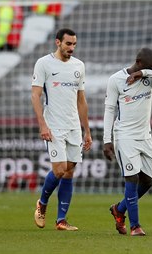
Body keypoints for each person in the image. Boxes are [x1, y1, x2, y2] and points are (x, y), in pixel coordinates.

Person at [103, 47, 152, 236]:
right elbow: (110, 109)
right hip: (124, 136)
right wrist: (106, 139)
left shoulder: (149, 74)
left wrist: (144, 73)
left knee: (147, 182)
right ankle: (135, 226)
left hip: (145, 136)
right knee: (132, 178)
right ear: (138, 61)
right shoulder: (115, 80)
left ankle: (119, 209)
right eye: (149, 68)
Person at [31, 28, 92, 231]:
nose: (72, 48)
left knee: (69, 171)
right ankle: (42, 203)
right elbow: (35, 96)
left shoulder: (79, 66)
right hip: (54, 126)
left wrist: (87, 131)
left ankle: (61, 220)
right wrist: (42, 125)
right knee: (59, 170)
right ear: (58, 42)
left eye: (74, 44)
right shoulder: (44, 63)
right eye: (68, 44)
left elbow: (81, 99)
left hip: (74, 126)